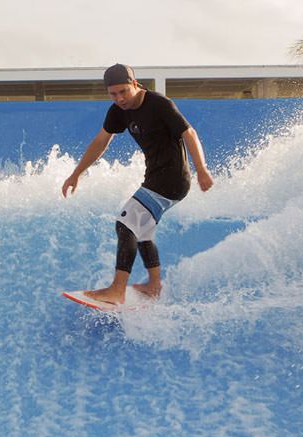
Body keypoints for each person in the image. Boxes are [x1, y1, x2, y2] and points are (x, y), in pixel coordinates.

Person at [61, 63, 213, 304]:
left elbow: (189, 133)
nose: (119, 98)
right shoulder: (118, 111)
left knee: (125, 224)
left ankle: (117, 290)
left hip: (171, 179)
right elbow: (100, 142)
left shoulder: (159, 104)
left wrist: (202, 170)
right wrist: (76, 174)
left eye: (123, 91)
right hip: (156, 178)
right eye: (113, 94)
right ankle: (154, 285)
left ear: (134, 83)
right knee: (142, 230)